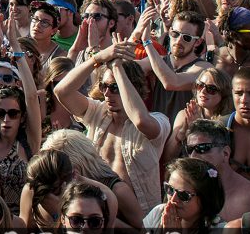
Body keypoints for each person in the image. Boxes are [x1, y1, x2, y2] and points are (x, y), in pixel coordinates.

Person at [55, 42, 171, 214]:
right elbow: (62, 92)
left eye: (115, 87)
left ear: (134, 89)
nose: (107, 93)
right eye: (104, 86)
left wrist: (117, 66)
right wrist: (99, 58)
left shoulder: (159, 120)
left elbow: (140, 121)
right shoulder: (99, 112)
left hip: (140, 218)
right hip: (96, 213)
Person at [183, 119, 250, 222]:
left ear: (225, 153)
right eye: (190, 150)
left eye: (202, 148)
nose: (193, 156)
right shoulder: (183, 190)